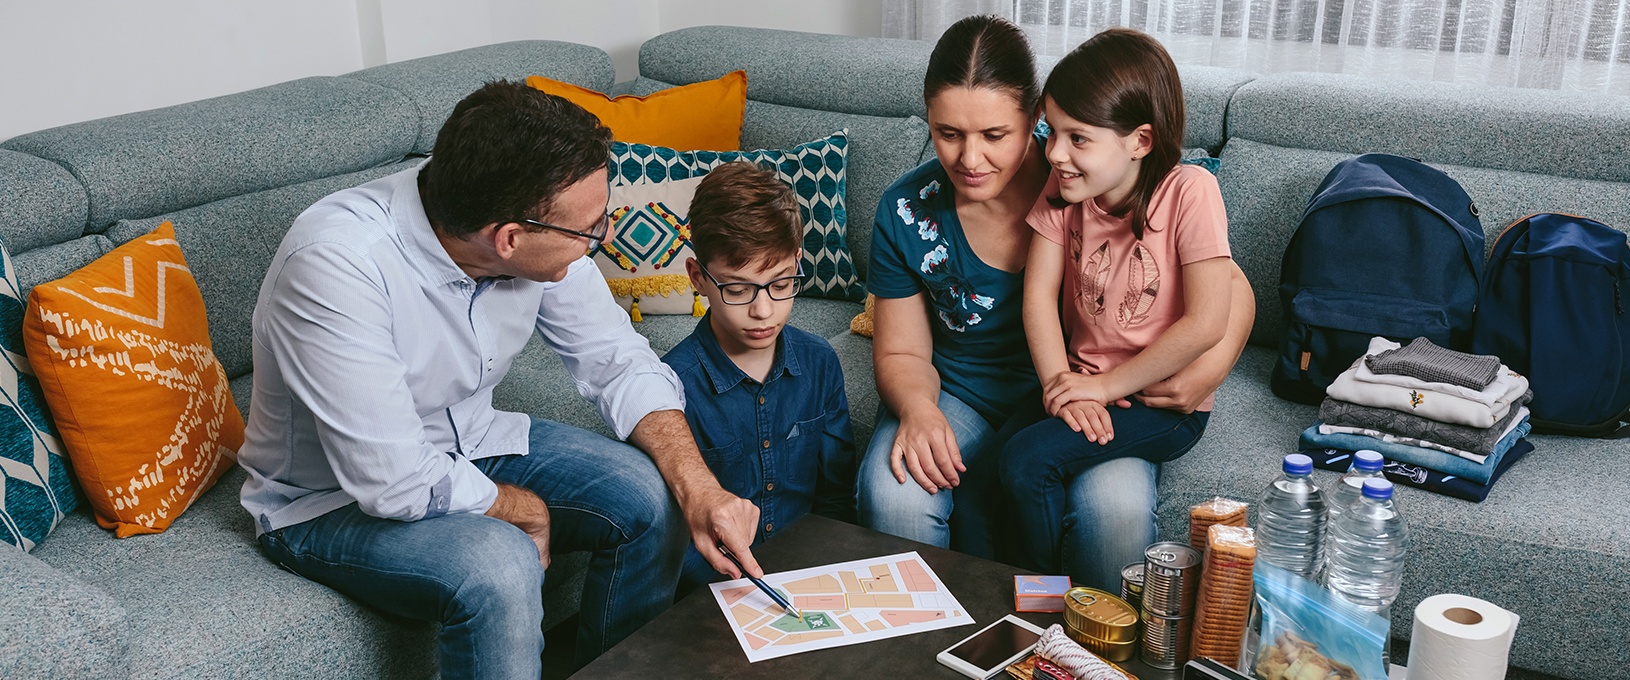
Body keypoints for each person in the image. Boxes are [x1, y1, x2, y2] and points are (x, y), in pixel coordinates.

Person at [237, 80, 763, 678]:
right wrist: (522, 508)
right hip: (328, 502)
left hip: (473, 440)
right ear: (509, 239)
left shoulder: (524, 233)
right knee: (501, 562)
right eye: (592, 229)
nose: (606, 239)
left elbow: (618, 360)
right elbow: (393, 481)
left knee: (653, 493)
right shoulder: (336, 264)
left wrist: (700, 488)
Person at [859, 15, 1256, 561]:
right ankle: (955, 633)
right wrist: (919, 409)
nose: (969, 160)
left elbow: (1224, 288)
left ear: (1033, 119)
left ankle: (1074, 635)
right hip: (986, 392)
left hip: (1105, 390)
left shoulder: (1085, 169)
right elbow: (906, 349)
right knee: (901, 495)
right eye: (948, 134)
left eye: (995, 135)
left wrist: (1207, 368)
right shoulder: (910, 208)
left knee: (1109, 511)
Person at [1001, 28, 1240, 590]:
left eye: (1077, 138)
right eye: (1051, 132)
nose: (1055, 154)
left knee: (1027, 462)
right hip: (1084, 381)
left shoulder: (1191, 192)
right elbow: (1036, 297)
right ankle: (987, 613)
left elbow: (1207, 321)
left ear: (1139, 141)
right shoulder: (1064, 193)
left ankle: (1044, 616)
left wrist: (1106, 389)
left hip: (1160, 404)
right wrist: (1060, 381)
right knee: (986, 471)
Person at [662, 161, 857, 594]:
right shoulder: (671, 385)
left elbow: (835, 498)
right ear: (698, 277)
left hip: (810, 577)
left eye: (781, 283)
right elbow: (671, 534)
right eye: (737, 289)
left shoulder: (820, 362)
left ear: (798, 263)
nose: (763, 311)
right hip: (713, 590)